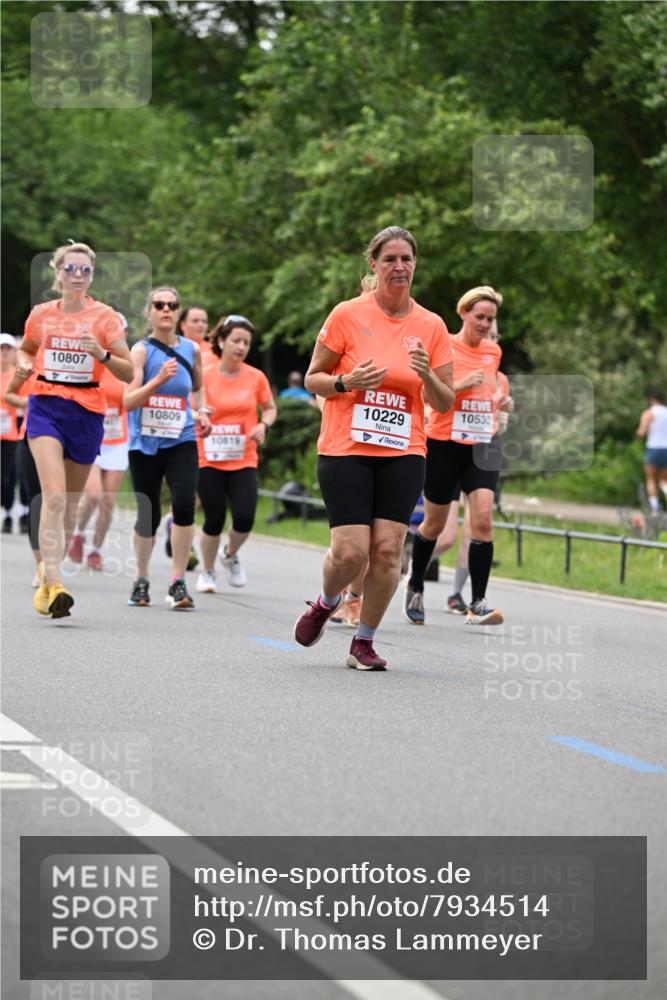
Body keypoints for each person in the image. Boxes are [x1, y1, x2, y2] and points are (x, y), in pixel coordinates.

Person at [293, 225, 454, 670]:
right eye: (390, 259)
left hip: (404, 450)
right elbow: (313, 378)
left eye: (407, 259)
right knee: (351, 553)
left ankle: (363, 641)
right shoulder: (347, 314)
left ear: (415, 264)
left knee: (387, 551)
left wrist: (428, 374)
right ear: (374, 265)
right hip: (346, 447)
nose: (399, 267)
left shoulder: (432, 325)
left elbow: (445, 401)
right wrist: (346, 381)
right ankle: (327, 601)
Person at [15, 240, 133, 618]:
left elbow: (129, 371)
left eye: (86, 270)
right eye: (71, 269)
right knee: (53, 497)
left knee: (69, 503)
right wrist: (23, 364)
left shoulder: (105, 318)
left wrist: (102, 354)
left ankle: (47, 582)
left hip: (87, 412)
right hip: (45, 407)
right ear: (58, 273)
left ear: (92, 275)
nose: (78, 275)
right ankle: (55, 583)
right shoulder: (41, 315)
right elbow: (26, 348)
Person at [405, 285, 508, 626]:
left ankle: (478, 602)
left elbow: (490, 390)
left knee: (483, 520)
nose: (485, 324)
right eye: (480, 317)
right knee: (434, 524)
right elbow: (426, 396)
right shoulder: (444, 345)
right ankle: (415, 585)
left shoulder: (494, 351)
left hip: (483, 444)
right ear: (463, 313)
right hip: (444, 442)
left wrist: (500, 403)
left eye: (490, 319)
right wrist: (462, 384)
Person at [124, 286, 210, 610]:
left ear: (178, 313)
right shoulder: (141, 351)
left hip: (181, 438)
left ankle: (177, 580)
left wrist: (202, 411)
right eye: (159, 305)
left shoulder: (191, 349)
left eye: (172, 305)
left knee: (185, 504)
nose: (165, 310)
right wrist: (157, 380)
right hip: (144, 443)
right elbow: (128, 400)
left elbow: (198, 389)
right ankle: (141, 578)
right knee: (148, 514)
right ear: (149, 312)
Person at [195, 314, 276, 593]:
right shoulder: (205, 375)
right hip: (209, 457)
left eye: (246, 343)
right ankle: (207, 571)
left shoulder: (255, 377)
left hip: (244, 458)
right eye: (236, 341)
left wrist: (263, 425)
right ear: (221, 341)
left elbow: (270, 408)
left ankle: (229, 554)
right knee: (214, 518)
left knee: (244, 517)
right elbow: (192, 407)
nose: (241, 347)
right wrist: (200, 417)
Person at [67, 360, 130, 570]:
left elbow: (132, 398)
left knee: (108, 501)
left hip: (117, 440)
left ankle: (96, 550)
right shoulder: (89, 362)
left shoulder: (124, 365)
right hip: (91, 436)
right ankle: (78, 533)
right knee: (93, 495)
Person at [1, 333, 21, 532]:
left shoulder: (17, 376)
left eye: (8, 349)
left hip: (10, 434)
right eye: (1, 349)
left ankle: (7, 514)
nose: (4, 353)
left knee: (7, 477)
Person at [636, 390, 667, 511]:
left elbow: (642, 432)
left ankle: (654, 507)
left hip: (654, 448)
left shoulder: (649, 413)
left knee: (651, 478)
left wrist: (638, 434)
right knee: (664, 481)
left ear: (652, 400)